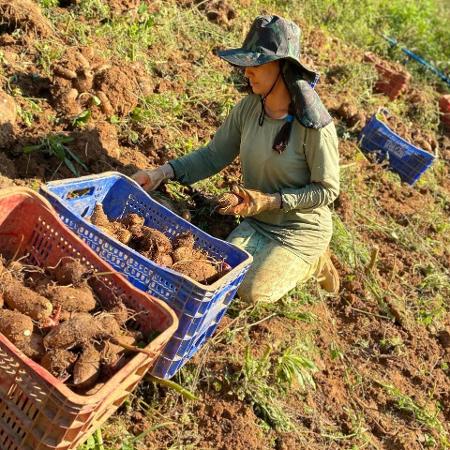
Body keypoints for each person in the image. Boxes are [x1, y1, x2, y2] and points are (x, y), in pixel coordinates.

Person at [132, 15, 340, 304]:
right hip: (257, 219)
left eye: (255, 65)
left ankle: (315, 262)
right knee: (220, 274)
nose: (246, 73)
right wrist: (161, 173)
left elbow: (327, 190)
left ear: (282, 67)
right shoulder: (248, 109)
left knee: (251, 290)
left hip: (300, 228)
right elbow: (213, 156)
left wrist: (272, 201)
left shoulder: (314, 127)